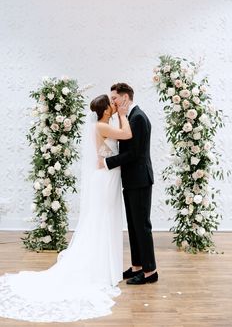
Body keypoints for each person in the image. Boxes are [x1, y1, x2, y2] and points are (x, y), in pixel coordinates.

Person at [0, 94, 132, 323]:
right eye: (111, 104)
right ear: (106, 110)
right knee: (101, 219)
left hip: (108, 176)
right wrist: (123, 115)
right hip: (106, 179)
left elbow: (107, 152)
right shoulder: (102, 125)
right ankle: (100, 268)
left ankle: (107, 267)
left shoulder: (104, 124)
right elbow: (127, 135)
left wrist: (118, 120)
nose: (115, 104)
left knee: (107, 219)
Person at [103, 83, 158, 285]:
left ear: (125, 97)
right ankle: (137, 266)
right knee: (134, 226)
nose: (113, 102)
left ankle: (150, 271)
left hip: (140, 180)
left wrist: (107, 162)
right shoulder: (129, 118)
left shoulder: (138, 118)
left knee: (142, 226)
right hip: (132, 180)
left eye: (115, 99)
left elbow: (134, 153)